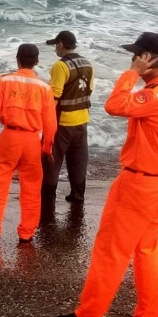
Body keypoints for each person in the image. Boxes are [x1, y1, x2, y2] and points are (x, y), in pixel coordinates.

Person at [55, 33, 158, 317]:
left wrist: (131, 75)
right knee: (147, 249)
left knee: (110, 249)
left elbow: (114, 105)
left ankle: (89, 316)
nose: (132, 59)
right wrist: (138, 75)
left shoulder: (152, 96)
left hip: (139, 184)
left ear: (155, 60)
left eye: (138, 55)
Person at [0, 44, 58, 244]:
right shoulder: (45, 88)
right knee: (30, 190)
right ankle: (26, 233)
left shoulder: (5, 81)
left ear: (17, 59)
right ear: (36, 62)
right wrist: (47, 147)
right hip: (31, 140)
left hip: (10, 137)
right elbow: (50, 123)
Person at [42, 30, 94, 204]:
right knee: (78, 161)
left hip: (62, 123)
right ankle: (77, 196)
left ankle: (48, 198)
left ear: (61, 44)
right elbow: (90, 90)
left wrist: (46, 124)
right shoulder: (87, 64)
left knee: (51, 162)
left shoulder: (60, 66)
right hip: (82, 121)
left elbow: (55, 97)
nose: (55, 48)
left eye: (56, 44)